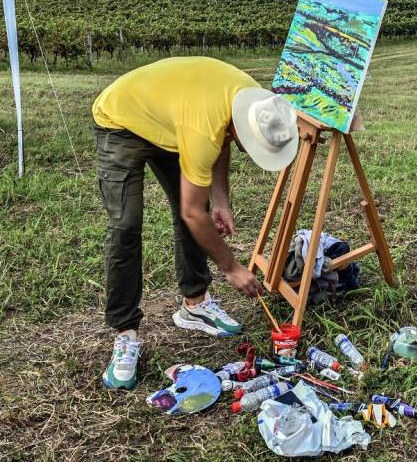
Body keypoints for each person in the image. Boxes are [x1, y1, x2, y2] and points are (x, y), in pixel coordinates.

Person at [92, 56, 299, 390]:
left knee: (196, 204)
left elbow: (223, 139)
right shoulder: (204, 126)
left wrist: (220, 198)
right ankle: (126, 333)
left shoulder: (250, 99)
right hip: (121, 121)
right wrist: (231, 267)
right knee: (126, 226)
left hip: (172, 121)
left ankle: (195, 304)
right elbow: (194, 211)